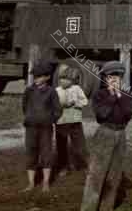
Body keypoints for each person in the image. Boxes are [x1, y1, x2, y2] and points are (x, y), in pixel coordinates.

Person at [81, 61, 132, 211]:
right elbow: (102, 114)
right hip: (105, 133)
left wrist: (119, 95)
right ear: (105, 78)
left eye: (118, 76)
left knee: (114, 175)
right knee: (96, 173)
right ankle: (88, 208)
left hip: (121, 134)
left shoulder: (126, 95)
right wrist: (112, 96)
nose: (114, 79)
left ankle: (107, 207)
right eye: (111, 76)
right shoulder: (99, 95)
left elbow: (129, 112)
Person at [22, 59, 61, 193]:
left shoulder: (51, 92)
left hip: (46, 128)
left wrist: (49, 120)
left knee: (46, 153)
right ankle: (31, 183)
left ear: (48, 77)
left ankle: (46, 183)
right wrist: (29, 117)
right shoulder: (29, 91)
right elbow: (24, 106)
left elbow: (57, 110)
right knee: (31, 152)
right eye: (35, 76)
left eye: (40, 76)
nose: (36, 79)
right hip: (31, 127)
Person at [54, 64, 89, 177]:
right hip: (61, 121)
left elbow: (85, 102)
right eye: (61, 79)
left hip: (75, 121)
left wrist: (75, 103)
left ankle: (83, 165)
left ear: (73, 81)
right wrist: (61, 105)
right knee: (61, 145)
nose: (62, 82)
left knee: (79, 145)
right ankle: (63, 167)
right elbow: (53, 105)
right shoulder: (56, 91)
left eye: (66, 79)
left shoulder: (77, 89)